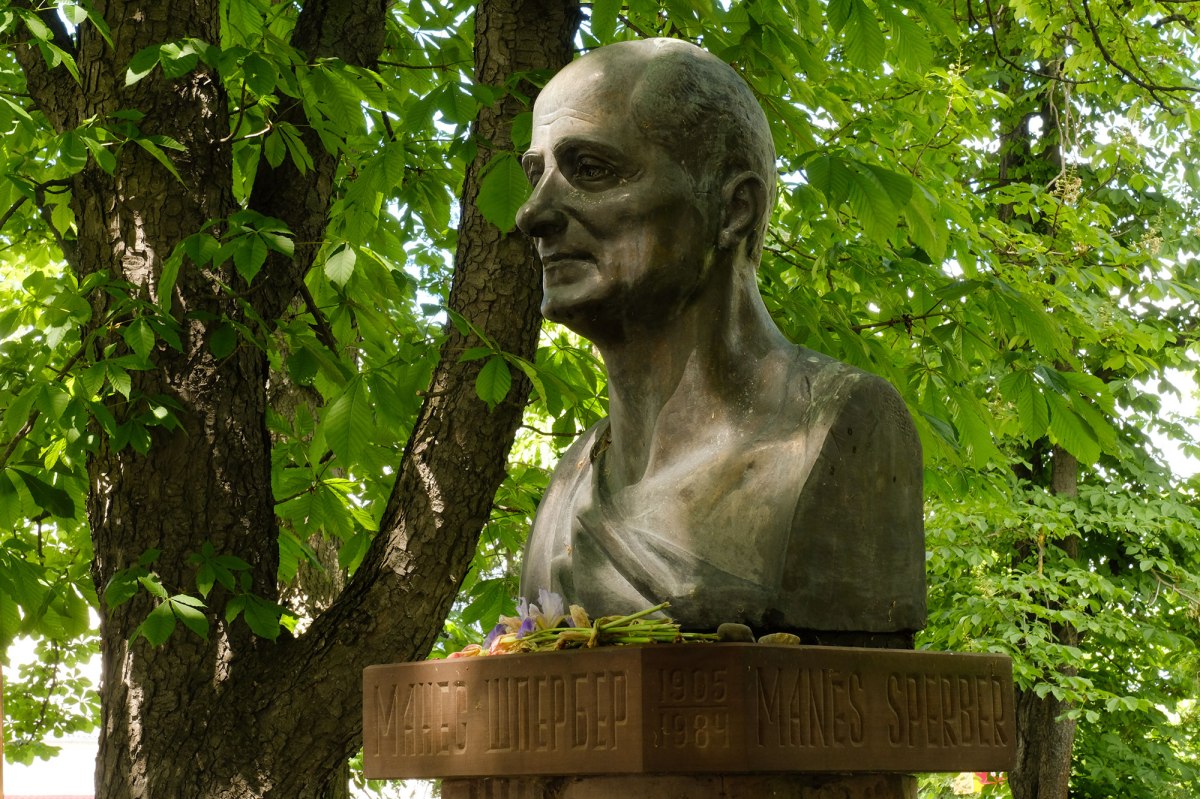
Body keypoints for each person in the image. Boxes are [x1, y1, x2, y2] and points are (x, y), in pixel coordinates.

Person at [516, 38, 925, 642]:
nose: (534, 213)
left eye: (591, 170)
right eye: (538, 174)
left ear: (734, 209)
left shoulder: (843, 428)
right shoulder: (573, 477)